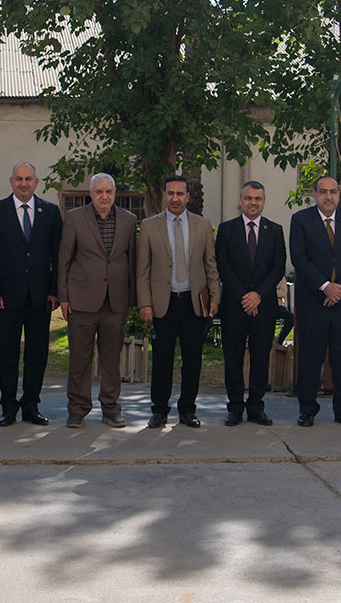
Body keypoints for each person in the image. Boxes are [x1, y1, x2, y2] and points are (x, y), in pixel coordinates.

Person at [0, 162, 62, 426]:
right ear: (11, 182)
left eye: (28, 179)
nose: (23, 183)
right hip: (6, 298)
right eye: (19, 179)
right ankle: (8, 407)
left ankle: (31, 405)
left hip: (40, 298)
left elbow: (57, 255)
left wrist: (54, 291)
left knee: (37, 356)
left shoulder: (50, 211)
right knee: (8, 356)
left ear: (36, 182)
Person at [136, 174, 220, 428]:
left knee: (192, 360)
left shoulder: (202, 225)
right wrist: (145, 303)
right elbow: (143, 269)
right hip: (163, 304)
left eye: (180, 194)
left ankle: (187, 410)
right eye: (171, 193)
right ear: (164, 195)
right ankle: (159, 410)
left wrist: (215, 296)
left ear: (187, 197)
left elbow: (210, 264)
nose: (175, 198)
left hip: (194, 303)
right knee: (162, 360)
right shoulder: (149, 226)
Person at [57, 173, 137, 427]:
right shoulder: (74, 218)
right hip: (81, 299)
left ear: (115, 193)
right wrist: (63, 297)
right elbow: (64, 260)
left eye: (108, 191)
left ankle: (111, 408)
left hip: (116, 300)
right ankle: (77, 409)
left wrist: (132, 298)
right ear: (91, 194)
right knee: (79, 358)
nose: (104, 196)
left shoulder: (129, 220)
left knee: (111, 359)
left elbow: (132, 262)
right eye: (99, 192)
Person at [290, 175, 341, 428]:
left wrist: (339, 288)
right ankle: (307, 410)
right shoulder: (301, 220)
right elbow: (299, 258)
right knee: (309, 358)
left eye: (333, 192)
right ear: (315, 195)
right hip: (313, 301)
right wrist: (325, 287)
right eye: (323, 192)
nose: (328, 196)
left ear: (338, 195)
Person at [216, 180, 286, 427]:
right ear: (240, 201)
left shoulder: (275, 230)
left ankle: (256, 407)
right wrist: (245, 297)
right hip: (234, 306)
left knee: (260, 358)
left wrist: (258, 295)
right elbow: (223, 266)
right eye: (248, 198)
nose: (253, 202)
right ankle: (235, 407)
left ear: (264, 202)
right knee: (233, 358)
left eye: (257, 198)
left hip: (264, 306)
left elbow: (278, 267)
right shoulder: (226, 230)